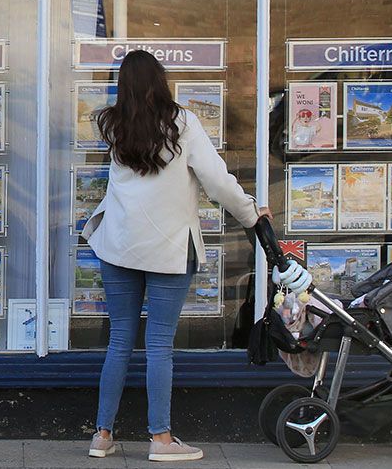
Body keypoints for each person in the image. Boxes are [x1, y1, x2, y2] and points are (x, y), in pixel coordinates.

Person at [81, 50, 312, 463]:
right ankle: (162, 439)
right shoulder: (181, 123)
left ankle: (102, 435)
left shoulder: (113, 124)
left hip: (118, 246)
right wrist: (250, 211)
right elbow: (218, 181)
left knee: (119, 342)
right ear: (161, 81)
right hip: (169, 248)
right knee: (159, 345)